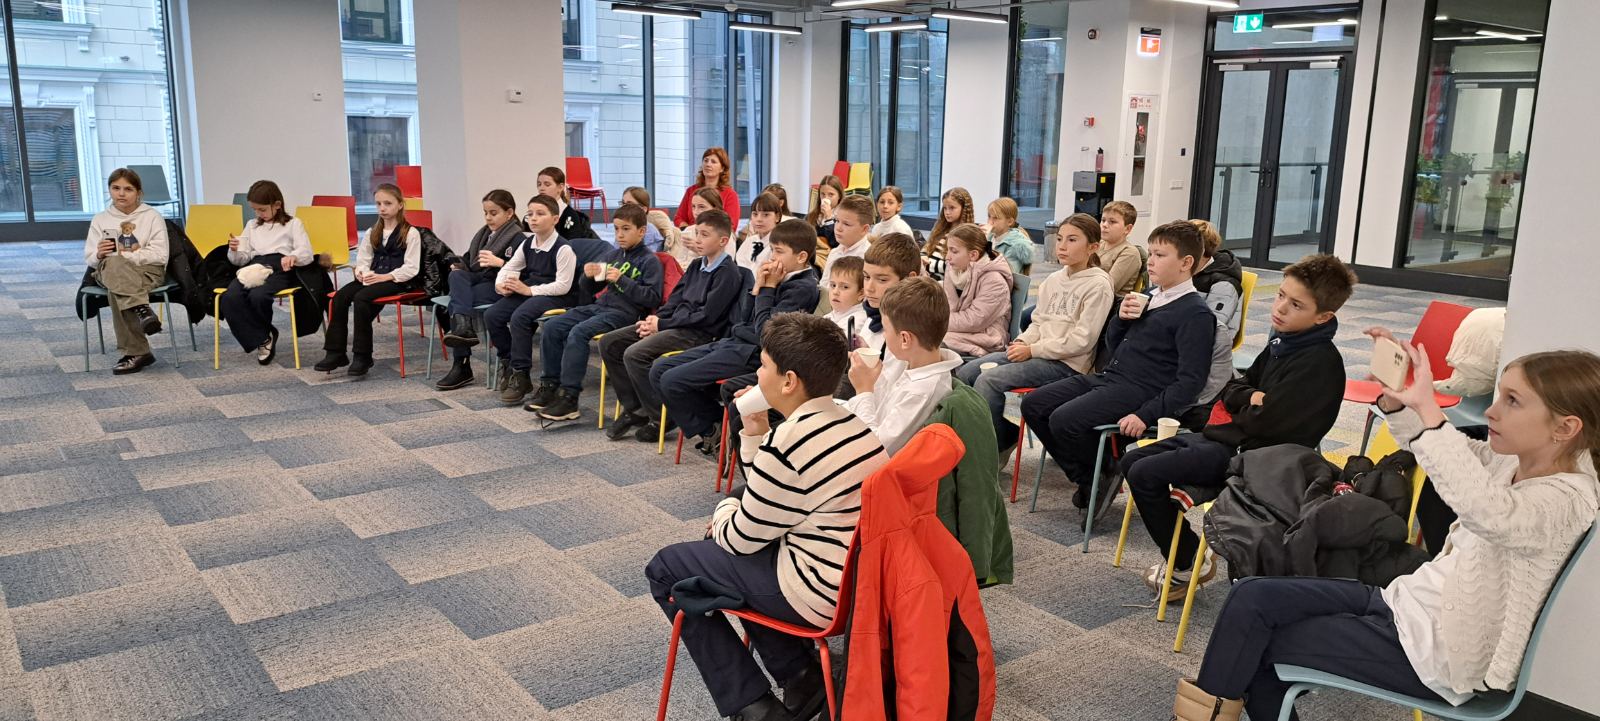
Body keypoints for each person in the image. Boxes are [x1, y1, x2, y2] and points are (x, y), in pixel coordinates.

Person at [1173, 347, 1600, 721]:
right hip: (1405, 604)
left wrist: (1429, 410)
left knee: (1253, 645)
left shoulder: (1566, 501)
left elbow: (1488, 510)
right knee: (1251, 597)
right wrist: (1399, 406)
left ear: (1565, 428)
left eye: (1512, 401)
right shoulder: (1515, 461)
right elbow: (1454, 455)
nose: (1491, 410)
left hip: (1438, 655)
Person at [646, 313, 888, 721]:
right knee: (724, 545)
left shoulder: (790, 442)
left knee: (667, 568)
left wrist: (724, 509)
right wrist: (755, 431)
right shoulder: (851, 423)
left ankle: (753, 706)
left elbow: (739, 539)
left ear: (789, 381)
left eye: (763, 366)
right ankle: (800, 675)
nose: (757, 375)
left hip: (815, 595)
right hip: (853, 588)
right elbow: (772, 493)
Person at [1122, 254, 1355, 599]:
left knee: (1145, 473)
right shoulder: (1284, 342)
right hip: (1231, 439)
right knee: (1130, 461)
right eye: (1281, 295)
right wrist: (1249, 398)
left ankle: (1186, 563)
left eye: (1296, 305)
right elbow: (1234, 387)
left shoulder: (1319, 363)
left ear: (1323, 316)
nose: (1280, 308)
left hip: (1258, 459)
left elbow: (1266, 422)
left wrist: (1243, 404)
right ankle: (1189, 555)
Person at [1019, 220, 1215, 512]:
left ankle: (1098, 475)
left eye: (1160, 255)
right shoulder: (1151, 297)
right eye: (1151, 253)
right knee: (1034, 404)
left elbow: (1190, 382)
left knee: (1064, 419)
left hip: (1143, 390)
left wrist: (1145, 414)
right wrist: (1121, 319)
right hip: (1111, 377)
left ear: (1186, 263)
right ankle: (1095, 475)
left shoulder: (1195, 313)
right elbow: (1113, 345)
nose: (1151, 261)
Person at [653, 218, 820, 456]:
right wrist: (758, 287)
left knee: (672, 380)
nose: (772, 257)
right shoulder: (778, 278)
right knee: (659, 369)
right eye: (772, 250)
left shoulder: (802, 288)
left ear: (801, 257)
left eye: (779, 251)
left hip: (753, 353)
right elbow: (743, 318)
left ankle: (713, 429)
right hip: (735, 341)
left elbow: (766, 333)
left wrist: (768, 289)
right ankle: (715, 427)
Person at [956, 214, 1112, 456]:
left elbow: (1082, 341)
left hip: (1067, 364)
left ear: (1093, 247)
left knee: (989, 381)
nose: (1062, 246)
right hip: (1037, 353)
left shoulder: (1098, 284)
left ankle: (993, 450)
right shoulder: (1054, 279)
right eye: (1059, 239)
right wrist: (1023, 341)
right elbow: (1038, 322)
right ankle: (972, 440)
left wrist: (1032, 350)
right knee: (966, 373)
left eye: (1072, 240)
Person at [601, 209, 744, 443]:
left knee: (635, 354)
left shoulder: (728, 273)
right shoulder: (697, 265)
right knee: (610, 343)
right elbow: (675, 299)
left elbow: (706, 316)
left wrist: (662, 324)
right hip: (673, 324)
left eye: (705, 235)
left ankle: (660, 416)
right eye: (697, 233)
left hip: (698, 333)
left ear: (723, 241)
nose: (698, 239)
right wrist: (653, 321)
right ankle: (636, 408)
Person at [528, 204, 665, 421]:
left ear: (641, 231)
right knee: (552, 326)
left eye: (626, 229)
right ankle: (550, 386)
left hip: (625, 314)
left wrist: (622, 280)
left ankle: (569, 397)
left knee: (579, 333)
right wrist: (588, 276)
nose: (620, 235)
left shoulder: (650, 261)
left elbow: (652, 298)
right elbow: (590, 289)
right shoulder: (613, 255)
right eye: (617, 229)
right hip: (600, 306)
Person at [845, 276, 963, 455]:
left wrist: (863, 390)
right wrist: (873, 376)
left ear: (905, 339)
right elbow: (886, 407)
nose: (884, 336)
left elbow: (874, 449)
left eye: (885, 330)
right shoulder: (917, 365)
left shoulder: (921, 392)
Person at [480, 194, 580, 404]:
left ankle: (521, 373)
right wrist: (501, 285)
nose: (533, 218)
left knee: (520, 317)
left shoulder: (563, 248)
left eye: (540, 214)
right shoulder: (528, 243)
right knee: (492, 315)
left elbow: (563, 286)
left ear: (555, 219)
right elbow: (510, 267)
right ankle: (509, 362)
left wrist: (528, 291)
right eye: (530, 214)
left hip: (557, 296)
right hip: (532, 289)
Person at [315, 183, 420, 376]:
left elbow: (412, 267)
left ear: (400, 205)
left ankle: (363, 356)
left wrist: (385, 276)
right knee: (340, 297)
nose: (382, 208)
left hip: (396, 281)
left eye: (388, 203)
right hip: (374, 277)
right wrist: (362, 273)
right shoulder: (373, 231)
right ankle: (335, 352)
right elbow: (363, 260)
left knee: (362, 298)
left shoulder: (411, 233)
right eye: (378, 203)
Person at [83, 167, 170, 375]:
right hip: (109, 269)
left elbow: (160, 255)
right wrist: (100, 254)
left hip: (146, 270)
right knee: (114, 267)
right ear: (109, 190)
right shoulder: (100, 219)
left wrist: (125, 257)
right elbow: (91, 260)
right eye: (116, 188)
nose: (121, 194)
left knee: (118, 287)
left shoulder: (152, 216)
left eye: (128, 189)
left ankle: (137, 352)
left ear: (138, 192)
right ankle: (142, 310)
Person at [436, 189, 526, 390]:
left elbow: (524, 272)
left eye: (493, 213)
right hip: (479, 279)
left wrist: (500, 263)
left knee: (457, 302)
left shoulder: (518, 238)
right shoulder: (483, 235)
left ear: (509, 213)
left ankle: (462, 364)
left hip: (498, 284)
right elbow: (470, 260)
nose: (488, 218)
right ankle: (464, 329)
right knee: (456, 276)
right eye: (485, 213)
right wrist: (458, 264)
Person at [219, 180, 312, 366]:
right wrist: (234, 250)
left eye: (262, 209)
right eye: (254, 209)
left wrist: (293, 256)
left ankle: (262, 338)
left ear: (277, 205)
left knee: (259, 296)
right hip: (253, 267)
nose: (258, 214)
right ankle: (264, 336)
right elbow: (241, 260)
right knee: (230, 297)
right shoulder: (252, 225)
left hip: (279, 267)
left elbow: (306, 252)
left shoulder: (293, 224)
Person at [940, 223, 1013, 359]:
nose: (947, 257)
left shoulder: (994, 281)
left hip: (987, 335)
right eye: (948, 250)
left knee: (929, 340)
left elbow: (975, 320)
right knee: (921, 333)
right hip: (960, 329)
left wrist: (937, 321)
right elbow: (948, 305)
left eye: (954, 251)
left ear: (973, 255)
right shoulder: (954, 270)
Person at [672, 147, 741, 229]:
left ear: (722, 168)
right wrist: (689, 231)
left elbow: (731, 226)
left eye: (713, 162)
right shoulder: (691, 190)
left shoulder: (730, 195)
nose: (708, 164)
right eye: (706, 160)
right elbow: (679, 218)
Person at [819, 195, 873, 298]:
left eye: (846, 224)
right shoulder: (835, 252)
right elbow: (824, 286)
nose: (838, 228)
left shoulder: (868, 258)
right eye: (837, 221)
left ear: (864, 229)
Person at [925, 187, 974, 282]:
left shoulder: (967, 234)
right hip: (928, 275)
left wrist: (926, 265)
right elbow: (926, 248)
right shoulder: (941, 229)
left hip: (944, 282)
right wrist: (922, 256)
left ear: (964, 209)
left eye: (952, 208)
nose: (947, 212)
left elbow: (956, 265)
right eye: (945, 208)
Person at [537, 166, 599, 240]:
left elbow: (570, 244)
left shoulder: (570, 215)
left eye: (547, 185)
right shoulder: (534, 211)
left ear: (560, 187)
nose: (541, 188)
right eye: (539, 184)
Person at [824, 256, 870, 352]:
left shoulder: (858, 319)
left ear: (861, 293)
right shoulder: (829, 316)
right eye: (833, 285)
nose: (835, 292)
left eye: (845, 287)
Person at [1098, 200, 1143, 298]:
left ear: (1127, 229)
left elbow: (1107, 288)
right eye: (1103, 220)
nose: (1104, 225)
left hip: (1109, 302)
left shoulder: (1130, 252)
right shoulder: (1097, 245)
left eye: (1112, 222)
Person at [734, 192, 783, 276]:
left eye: (766, 215)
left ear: (777, 217)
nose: (759, 219)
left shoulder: (780, 244)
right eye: (755, 214)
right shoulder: (750, 241)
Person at [986, 197, 1034, 275]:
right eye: (989, 216)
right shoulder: (989, 238)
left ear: (1009, 222)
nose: (990, 221)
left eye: (996, 218)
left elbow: (1007, 273)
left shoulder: (1015, 245)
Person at [621, 185, 673, 254]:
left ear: (643, 209)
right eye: (623, 203)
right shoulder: (621, 227)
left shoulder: (649, 231)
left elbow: (646, 257)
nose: (624, 207)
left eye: (629, 204)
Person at [806, 174, 844, 254]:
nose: (826, 198)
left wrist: (828, 218)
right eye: (822, 194)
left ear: (839, 196)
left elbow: (835, 244)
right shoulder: (812, 216)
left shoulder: (843, 218)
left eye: (831, 194)